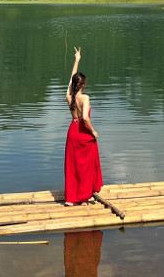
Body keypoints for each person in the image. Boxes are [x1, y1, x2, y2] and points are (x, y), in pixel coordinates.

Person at [64, 47, 103, 206]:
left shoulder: (69, 97)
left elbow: (71, 81)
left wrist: (77, 60)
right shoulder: (84, 98)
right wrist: (93, 131)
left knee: (72, 165)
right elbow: (85, 117)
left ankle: (71, 199)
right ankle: (83, 198)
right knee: (85, 166)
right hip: (83, 133)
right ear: (83, 85)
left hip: (72, 132)